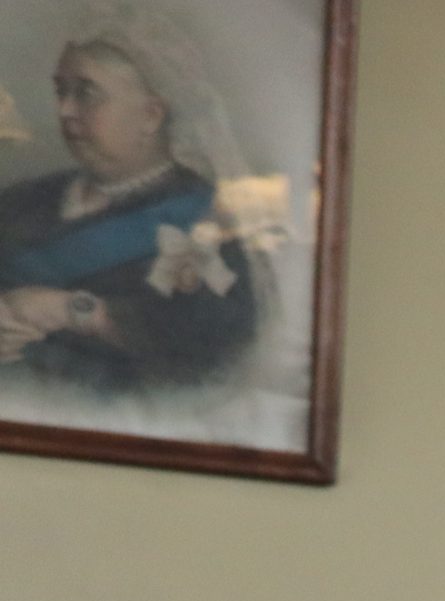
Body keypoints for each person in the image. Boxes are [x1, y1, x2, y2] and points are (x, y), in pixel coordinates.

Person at [0, 11, 261, 394]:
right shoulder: (21, 201)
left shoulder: (204, 215)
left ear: (151, 115)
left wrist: (71, 310)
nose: (64, 110)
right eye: (61, 91)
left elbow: (214, 350)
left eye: (86, 93)